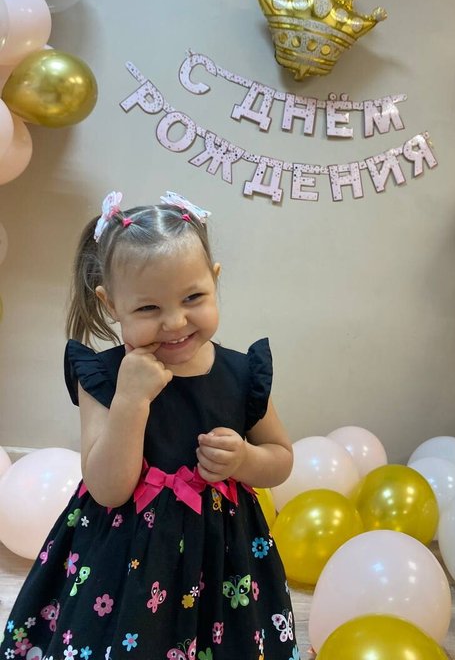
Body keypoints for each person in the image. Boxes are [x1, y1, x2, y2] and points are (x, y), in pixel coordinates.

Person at [0, 191, 298, 660]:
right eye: (147, 309)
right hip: (124, 559)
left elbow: (280, 460)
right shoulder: (102, 378)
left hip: (221, 558)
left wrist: (244, 459)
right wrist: (131, 400)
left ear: (214, 280)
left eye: (193, 297)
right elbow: (107, 489)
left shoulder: (243, 374)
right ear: (111, 304)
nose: (175, 322)